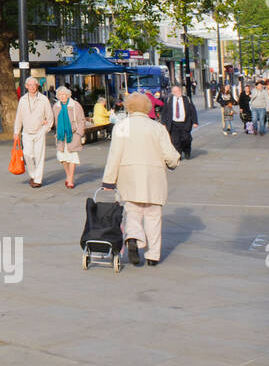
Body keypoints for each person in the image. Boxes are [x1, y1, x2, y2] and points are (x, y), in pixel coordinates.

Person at [101, 92, 180, 267]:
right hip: (153, 177)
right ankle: (153, 255)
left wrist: (109, 180)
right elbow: (169, 153)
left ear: (128, 107)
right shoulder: (157, 127)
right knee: (153, 215)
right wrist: (174, 162)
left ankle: (133, 238)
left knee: (132, 212)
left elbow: (114, 155)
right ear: (148, 107)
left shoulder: (122, 126)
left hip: (129, 177)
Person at [13, 76, 54, 189]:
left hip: (39, 131)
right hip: (26, 132)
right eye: (29, 85)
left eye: (34, 85)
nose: (32, 87)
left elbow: (50, 117)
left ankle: (38, 180)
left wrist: (45, 129)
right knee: (27, 155)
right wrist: (16, 132)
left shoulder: (43, 99)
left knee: (39, 156)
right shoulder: (23, 100)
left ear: (37, 86)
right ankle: (33, 174)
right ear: (26, 87)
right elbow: (19, 117)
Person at [53, 86, 86, 189]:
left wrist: (79, 133)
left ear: (68, 95)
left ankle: (70, 179)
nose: (62, 97)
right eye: (60, 95)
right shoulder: (56, 106)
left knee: (72, 157)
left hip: (73, 135)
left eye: (64, 95)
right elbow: (53, 120)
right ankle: (68, 174)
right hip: (61, 136)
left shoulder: (75, 105)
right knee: (62, 158)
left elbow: (81, 120)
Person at [159, 84, 198, 160]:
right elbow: (165, 112)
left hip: (185, 123)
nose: (177, 92)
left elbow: (192, 110)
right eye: (175, 91)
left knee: (186, 139)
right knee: (175, 141)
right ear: (172, 92)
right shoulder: (168, 100)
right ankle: (178, 155)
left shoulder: (187, 99)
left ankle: (187, 151)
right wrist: (163, 123)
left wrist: (195, 122)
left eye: (178, 90)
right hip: (173, 124)